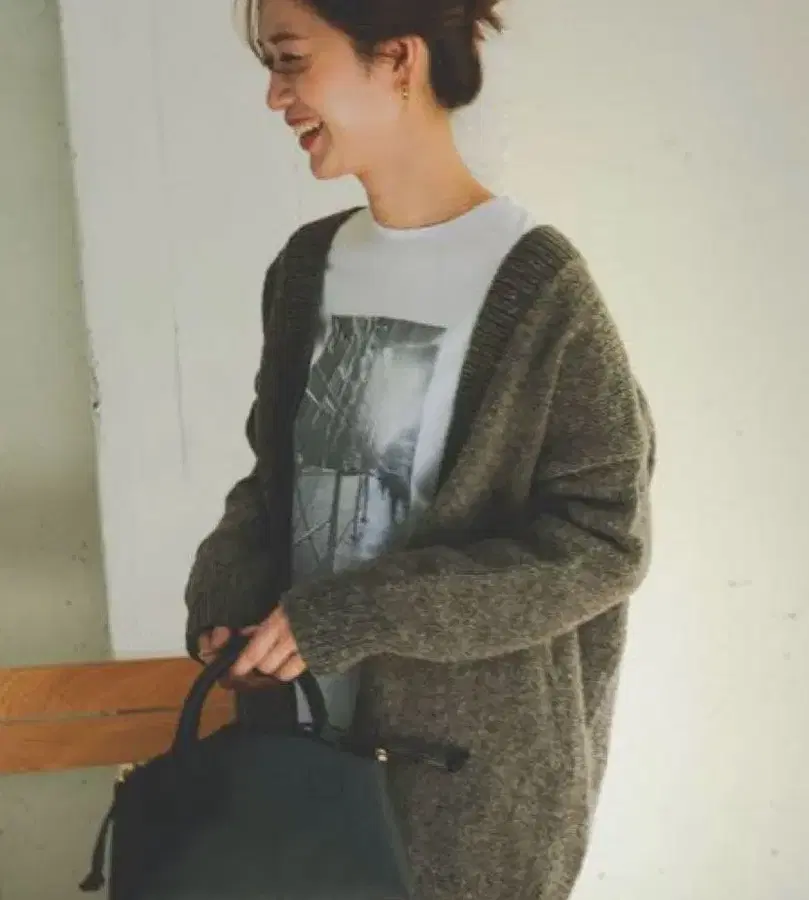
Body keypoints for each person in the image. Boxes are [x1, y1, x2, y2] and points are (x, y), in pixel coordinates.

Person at [185, 0, 656, 897]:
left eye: (291, 60)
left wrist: (358, 612)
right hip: (299, 767)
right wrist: (230, 590)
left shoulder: (539, 287)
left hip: (467, 795)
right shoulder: (305, 268)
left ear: (398, 60)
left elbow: (603, 546)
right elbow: (274, 480)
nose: (276, 96)